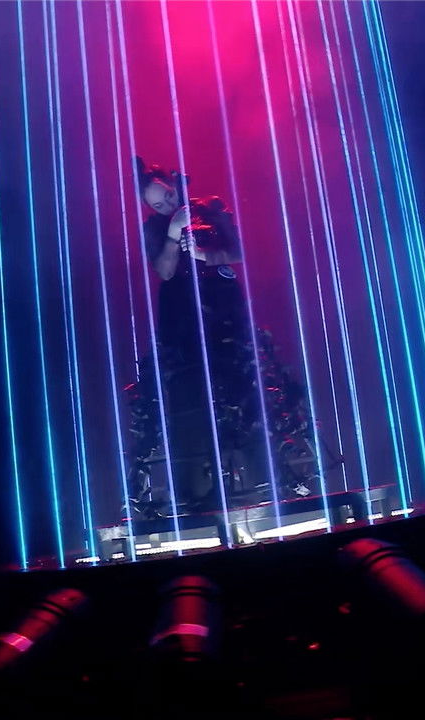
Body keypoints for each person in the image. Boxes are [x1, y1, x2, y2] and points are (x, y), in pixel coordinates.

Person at [125, 158, 318, 518]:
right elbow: (164, 271)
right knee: (190, 396)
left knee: (245, 390)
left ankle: (269, 480)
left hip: (224, 310)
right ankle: (196, 491)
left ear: (174, 184)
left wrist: (204, 254)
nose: (166, 206)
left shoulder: (210, 207)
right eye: (157, 205)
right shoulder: (153, 228)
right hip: (182, 319)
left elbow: (238, 251)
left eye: (167, 197)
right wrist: (173, 233)